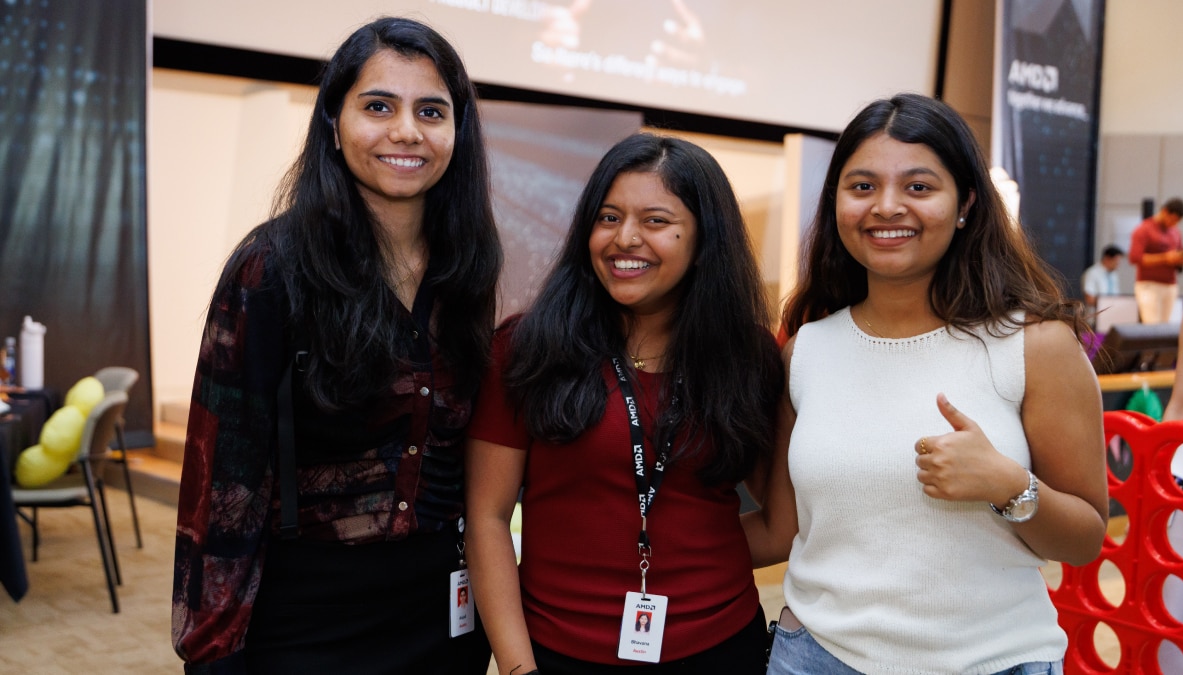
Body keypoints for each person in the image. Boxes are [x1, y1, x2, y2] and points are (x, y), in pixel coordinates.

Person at [171, 17, 501, 674]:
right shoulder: (271, 267)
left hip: (440, 617)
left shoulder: (467, 269)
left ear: (456, 132)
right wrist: (212, 649)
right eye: (378, 105)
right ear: (333, 120)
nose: (407, 131)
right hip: (307, 618)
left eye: (431, 111)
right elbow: (223, 480)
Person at [762, 93, 1108, 674]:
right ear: (837, 202)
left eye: (919, 187)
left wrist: (1008, 485)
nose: (888, 207)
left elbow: (1084, 540)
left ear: (966, 203)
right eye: (863, 186)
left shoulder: (1036, 345)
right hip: (815, 658)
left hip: (994, 662)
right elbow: (782, 528)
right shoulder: (807, 351)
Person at [465, 132, 786, 675]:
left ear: (704, 239)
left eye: (656, 221)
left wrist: (688, 569)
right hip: (558, 652)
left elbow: (780, 526)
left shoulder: (745, 356)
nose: (624, 239)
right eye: (608, 218)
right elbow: (487, 519)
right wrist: (518, 668)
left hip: (721, 647)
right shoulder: (526, 348)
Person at [1129, 197, 1183, 323]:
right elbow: (1135, 257)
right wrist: (1165, 258)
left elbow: (1180, 253)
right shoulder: (1144, 229)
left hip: (1170, 285)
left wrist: (1179, 259)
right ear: (1165, 211)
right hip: (1148, 285)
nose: (1174, 223)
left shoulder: (1176, 232)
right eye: (1173, 219)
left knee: (1166, 327)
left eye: (1177, 221)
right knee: (1152, 326)